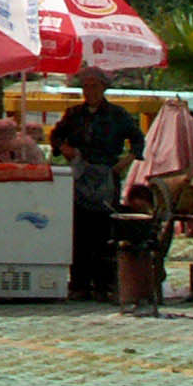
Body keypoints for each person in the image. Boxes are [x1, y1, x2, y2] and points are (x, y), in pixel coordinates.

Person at [48, 68, 144, 300]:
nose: (89, 92)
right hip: (80, 174)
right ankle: (80, 283)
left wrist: (126, 162)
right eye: (86, 87)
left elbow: (138, 139)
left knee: (104, 229)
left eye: (94, 86)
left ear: (103, 88)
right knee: (79, 229)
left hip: (106, 175)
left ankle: (104, 284)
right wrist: (64, 149)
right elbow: (56, 136)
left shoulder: (117, 115)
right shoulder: (74, 114)